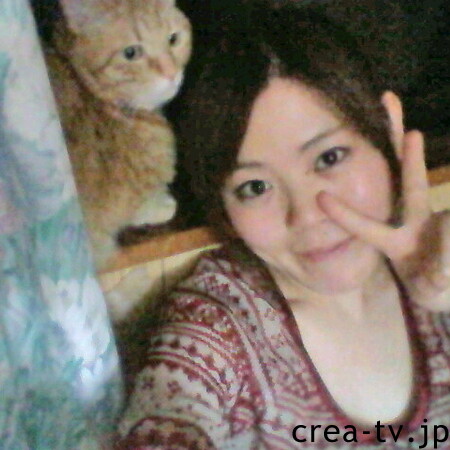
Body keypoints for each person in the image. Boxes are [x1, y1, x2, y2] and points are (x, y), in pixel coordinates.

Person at [117, 4, 450, 448]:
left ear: (388, 127)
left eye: (329, 158)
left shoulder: (441, 266)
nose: (306, 216)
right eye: (255, 187)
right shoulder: (222, 324)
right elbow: (171, 415)